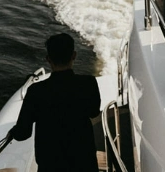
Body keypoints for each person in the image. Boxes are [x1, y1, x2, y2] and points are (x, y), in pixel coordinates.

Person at [8, 33, 101, 172]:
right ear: (74, 55)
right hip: (84, 161)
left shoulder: (36, 91)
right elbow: (93, 112)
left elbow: (23, 133)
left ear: (48, 59)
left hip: (50, 165)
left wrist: (13, 132)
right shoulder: (88, 83)